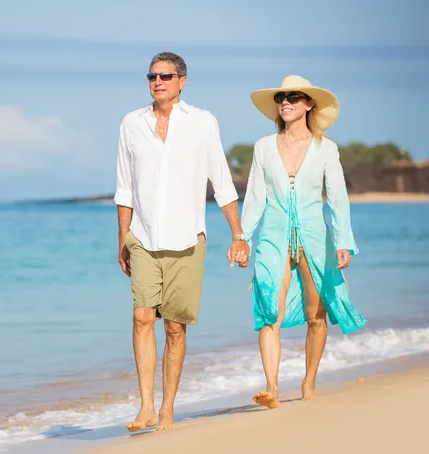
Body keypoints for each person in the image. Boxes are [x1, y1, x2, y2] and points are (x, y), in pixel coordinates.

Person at [114, 52, 249, 431]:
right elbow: (124, 188)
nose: (158, 82)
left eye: (166, 76)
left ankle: (168, 408)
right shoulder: (131, 123)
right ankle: (145, 407)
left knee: (174, 327)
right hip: (142, 237)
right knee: (142, 317)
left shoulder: (203, 123)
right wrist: (123, 238)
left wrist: (238, 235)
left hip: (187, 239)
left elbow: (222, 183)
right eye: (152, 76)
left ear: (182, 81)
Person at [240, 75, 366, 409]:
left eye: (294, 96)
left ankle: (308, 382)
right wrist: (243, 237)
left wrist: (343, 241)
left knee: (316, 315)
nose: (285, 102)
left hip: (314, 236)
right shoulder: (264, 147)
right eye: (281, 97)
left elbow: (338, 198)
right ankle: (272, 388)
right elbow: (255, 196)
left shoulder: (327, 148)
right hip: (272, 236)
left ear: (309, 103)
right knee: (268, 309)